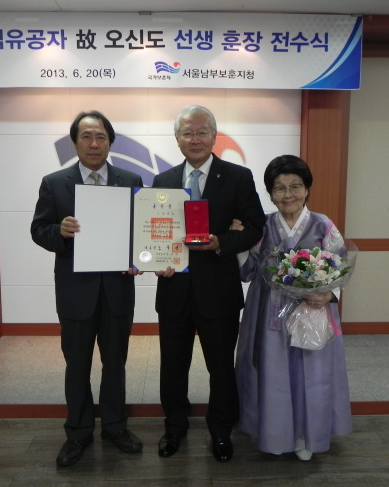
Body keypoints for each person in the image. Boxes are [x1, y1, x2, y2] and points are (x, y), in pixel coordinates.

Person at [152, 105, 266, 462]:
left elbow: (255, 226)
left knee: (220, 366)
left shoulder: (237, 176)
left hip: (218, 290)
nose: (195, 139)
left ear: (214, 136)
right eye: (188, 133)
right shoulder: (163, 181)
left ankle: (220, 430)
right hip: (173, 290)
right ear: (178, 139)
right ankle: (174, 427)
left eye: (202, 132)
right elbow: (155, 232)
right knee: (173, 366)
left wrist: (221, 243)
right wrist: (156, 260)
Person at [30, 110, 144, 467]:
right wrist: (59, 232)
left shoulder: (130, 178)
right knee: (76, 364)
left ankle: (114, 426)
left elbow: (141, 231)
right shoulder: (55, 182)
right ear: (75, 142)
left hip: (118, 289)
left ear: (110, 142)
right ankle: (78, 432)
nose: (94, 144)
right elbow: (38, 230)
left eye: (101, 137)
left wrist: (139, 258)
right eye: (86, 137)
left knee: (116, 364)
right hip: (76, 291)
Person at [234, 154, 352, 461]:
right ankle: (275, 434)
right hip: (267, 312)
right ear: (270, 193)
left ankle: (306, 436)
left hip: (312, 310)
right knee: (272, 374)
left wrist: (329, 294)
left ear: (307, 189)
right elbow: (247, 271)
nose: (288, 195)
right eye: (280, 188)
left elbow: (338, 264)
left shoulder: (323, 225)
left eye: (295, 186)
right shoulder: (261, 225)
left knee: (310, 374)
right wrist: (238, 241)